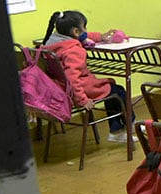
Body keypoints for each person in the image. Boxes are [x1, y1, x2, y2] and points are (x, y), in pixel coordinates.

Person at [42, 10, 129, 142]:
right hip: (80, 89)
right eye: (84, 28)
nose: (86, 31)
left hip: (59, 86)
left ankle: (118, 128)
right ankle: (126, 126)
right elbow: (72, 78)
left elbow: (83, 36)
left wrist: (101, 36)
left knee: (112, 89)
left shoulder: (53, 42)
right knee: (118, 92)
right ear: (76, 32)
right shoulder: (74, 51)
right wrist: (82, 100)